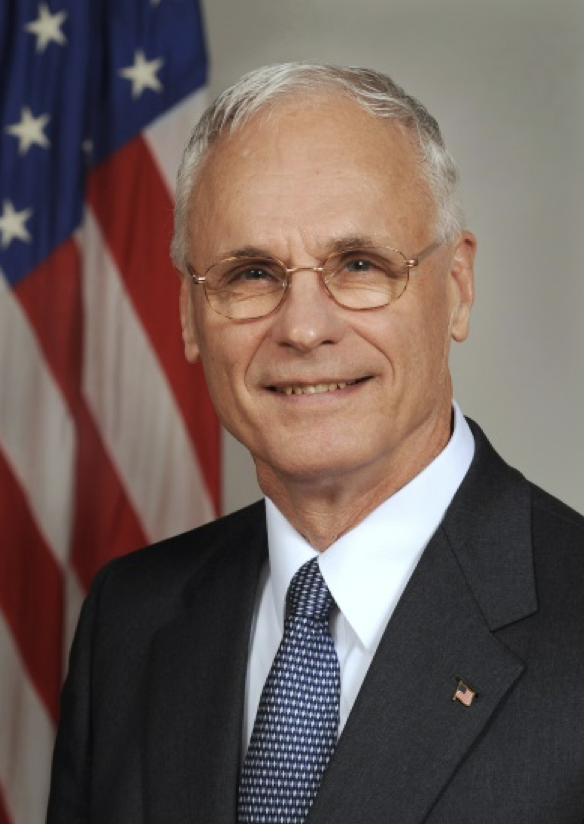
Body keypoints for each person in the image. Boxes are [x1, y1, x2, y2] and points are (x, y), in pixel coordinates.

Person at [46, 63, 584, 824]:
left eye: (359, 265)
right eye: (251, 273)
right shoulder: (129, 621)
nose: (303, 328)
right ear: (191, 319)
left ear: (457, 285)